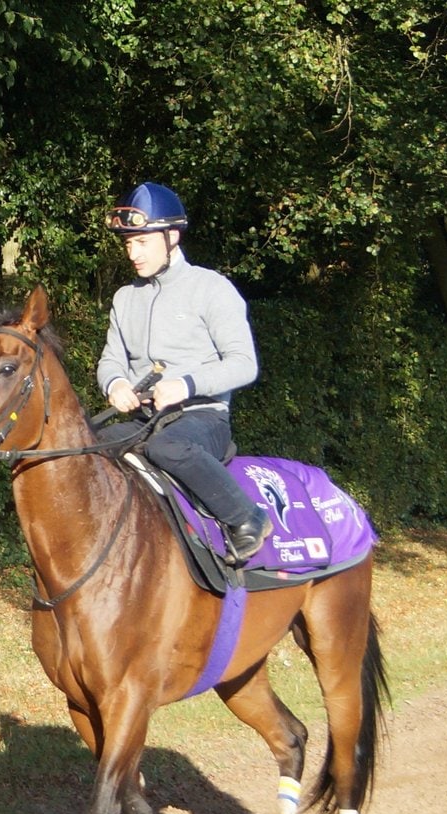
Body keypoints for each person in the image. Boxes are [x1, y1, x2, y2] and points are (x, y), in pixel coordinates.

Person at [96, 181, 271, 564]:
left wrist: (186, 385)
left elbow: (244, 363)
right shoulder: (125, 298)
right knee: (88, 447)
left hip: (202, 418)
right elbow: (111, 359)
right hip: (144, 419)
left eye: (142, 242)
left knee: (167, 447)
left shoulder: (212, 288)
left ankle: (247, 518)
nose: (133, 253)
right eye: (129, 244)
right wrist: (116, 383)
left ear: (172, 236)